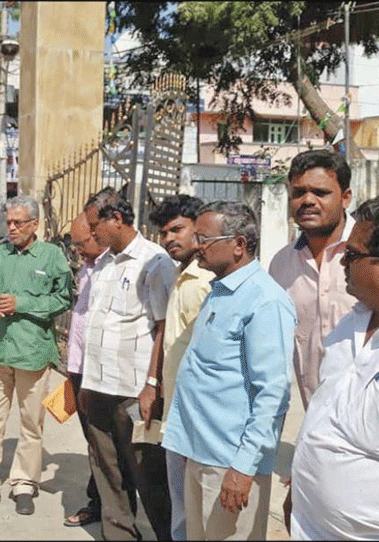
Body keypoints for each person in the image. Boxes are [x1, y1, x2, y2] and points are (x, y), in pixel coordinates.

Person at [162, 201, 296, 540]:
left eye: (204, 239)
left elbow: (273, 394)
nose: (196, 246)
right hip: (197, 451)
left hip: (228, 462)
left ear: (239, 244)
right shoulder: (219, 291)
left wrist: (243, 468)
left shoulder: (265, 301)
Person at [0, 195, 73, 516]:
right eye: (8, 222)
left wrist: (21, 303)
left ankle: (24, 483)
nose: (11, 228)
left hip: (33, 353)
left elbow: (63, 299)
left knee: (30, 423)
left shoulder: (51, 257)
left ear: (35, 224)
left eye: (18, 222)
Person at [289, 193, 379, 540]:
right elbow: (325, 410)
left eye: (351, 255)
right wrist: (302, 484)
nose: (342, 263)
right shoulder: (351, 322)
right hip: (311, 524)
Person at [80, 186, 177, 540]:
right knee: (108, 471)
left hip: (132, 391)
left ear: (116, 219)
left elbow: (165, 326)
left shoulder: (154, 262)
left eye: (95, 227)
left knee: (148, 474)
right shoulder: (103, 264)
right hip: (98, 387)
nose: (91, 236)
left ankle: (168, 534)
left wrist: (152, 385)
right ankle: (119, 534)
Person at [268, 149, 357, 410]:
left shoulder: (375, 256)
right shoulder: (281, 265)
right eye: (298, 193)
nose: (307, 200)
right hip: (316, 416)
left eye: (320, 192)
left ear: (346, 197)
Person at [148, 194, 213, 541]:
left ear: (198, 230)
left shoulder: (204, 281)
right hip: (176, 412)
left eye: (177, 229)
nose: (169, 238)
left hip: (195, 417)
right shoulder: (181, 275)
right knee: (182, 506)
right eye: (163, 232)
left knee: (196, 507)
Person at [62, 212, 109, 528]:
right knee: (93, 443)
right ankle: (100, 503)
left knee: (106, 445)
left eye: (82, 243)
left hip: (101, 371)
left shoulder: (111, 269)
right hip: (78, 366)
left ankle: (109, 507)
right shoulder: (87, 268)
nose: (77, 250)